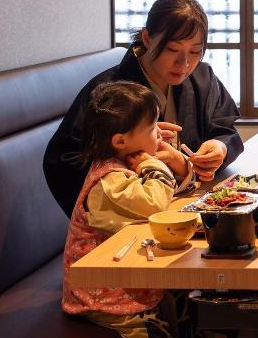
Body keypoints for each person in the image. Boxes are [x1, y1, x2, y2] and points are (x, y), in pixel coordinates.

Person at [44, 0, 244, 218]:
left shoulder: (202, 78)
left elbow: (226, 129)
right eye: (172, 49)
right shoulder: (110, 91)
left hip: (187, 207)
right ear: (147, 38)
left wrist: (219, 148)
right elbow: (63, 162)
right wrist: (134, 142)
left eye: (195, 51)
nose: (184, 63)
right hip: (134, 220)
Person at [61, 81, 190, 337]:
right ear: (120, 140)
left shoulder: (122, 163)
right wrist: (155, 166)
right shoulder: (110, 181)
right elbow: (154, 203)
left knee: (190, 302)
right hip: (104, 298)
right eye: (152, 128)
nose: (160, 133)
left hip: (123, 280)